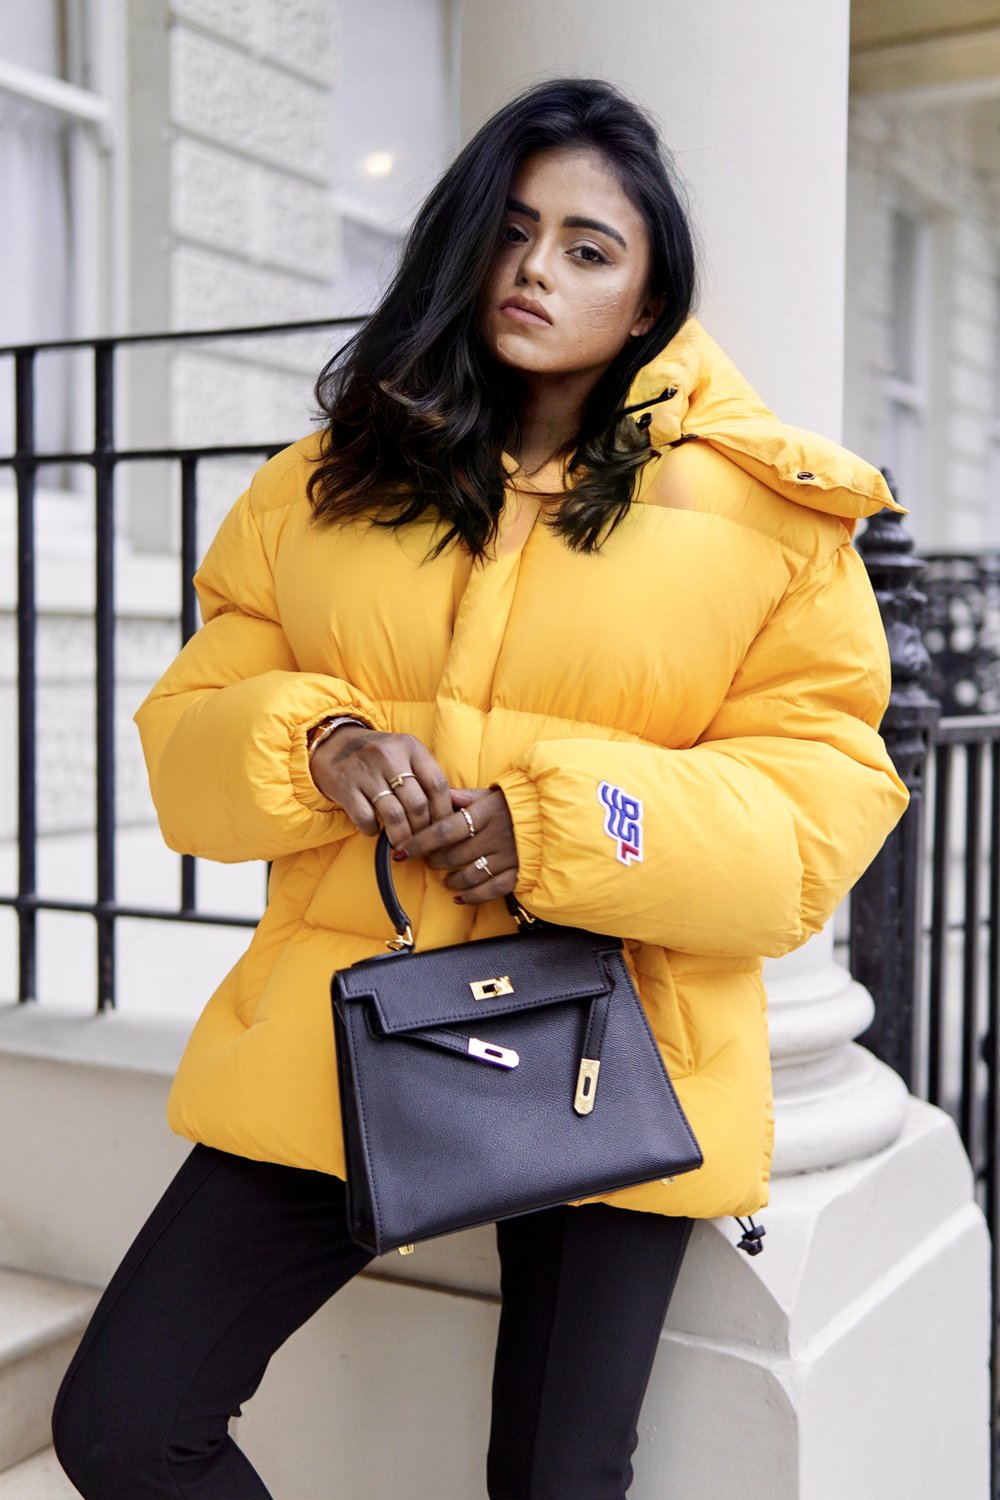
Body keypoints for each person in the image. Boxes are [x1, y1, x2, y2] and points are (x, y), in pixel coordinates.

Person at [51, 77, 909, 1499]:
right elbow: (190, 738)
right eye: (513, 231)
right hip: (354, 1006)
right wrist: (320, 745)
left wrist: (556, 829)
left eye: (589, 247)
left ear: (646, 300)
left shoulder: (773, 521)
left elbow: (813, 814)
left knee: (558, 1483)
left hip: (617, 1034)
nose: (536, 271)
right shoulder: (324, 485)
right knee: (129, 1419)